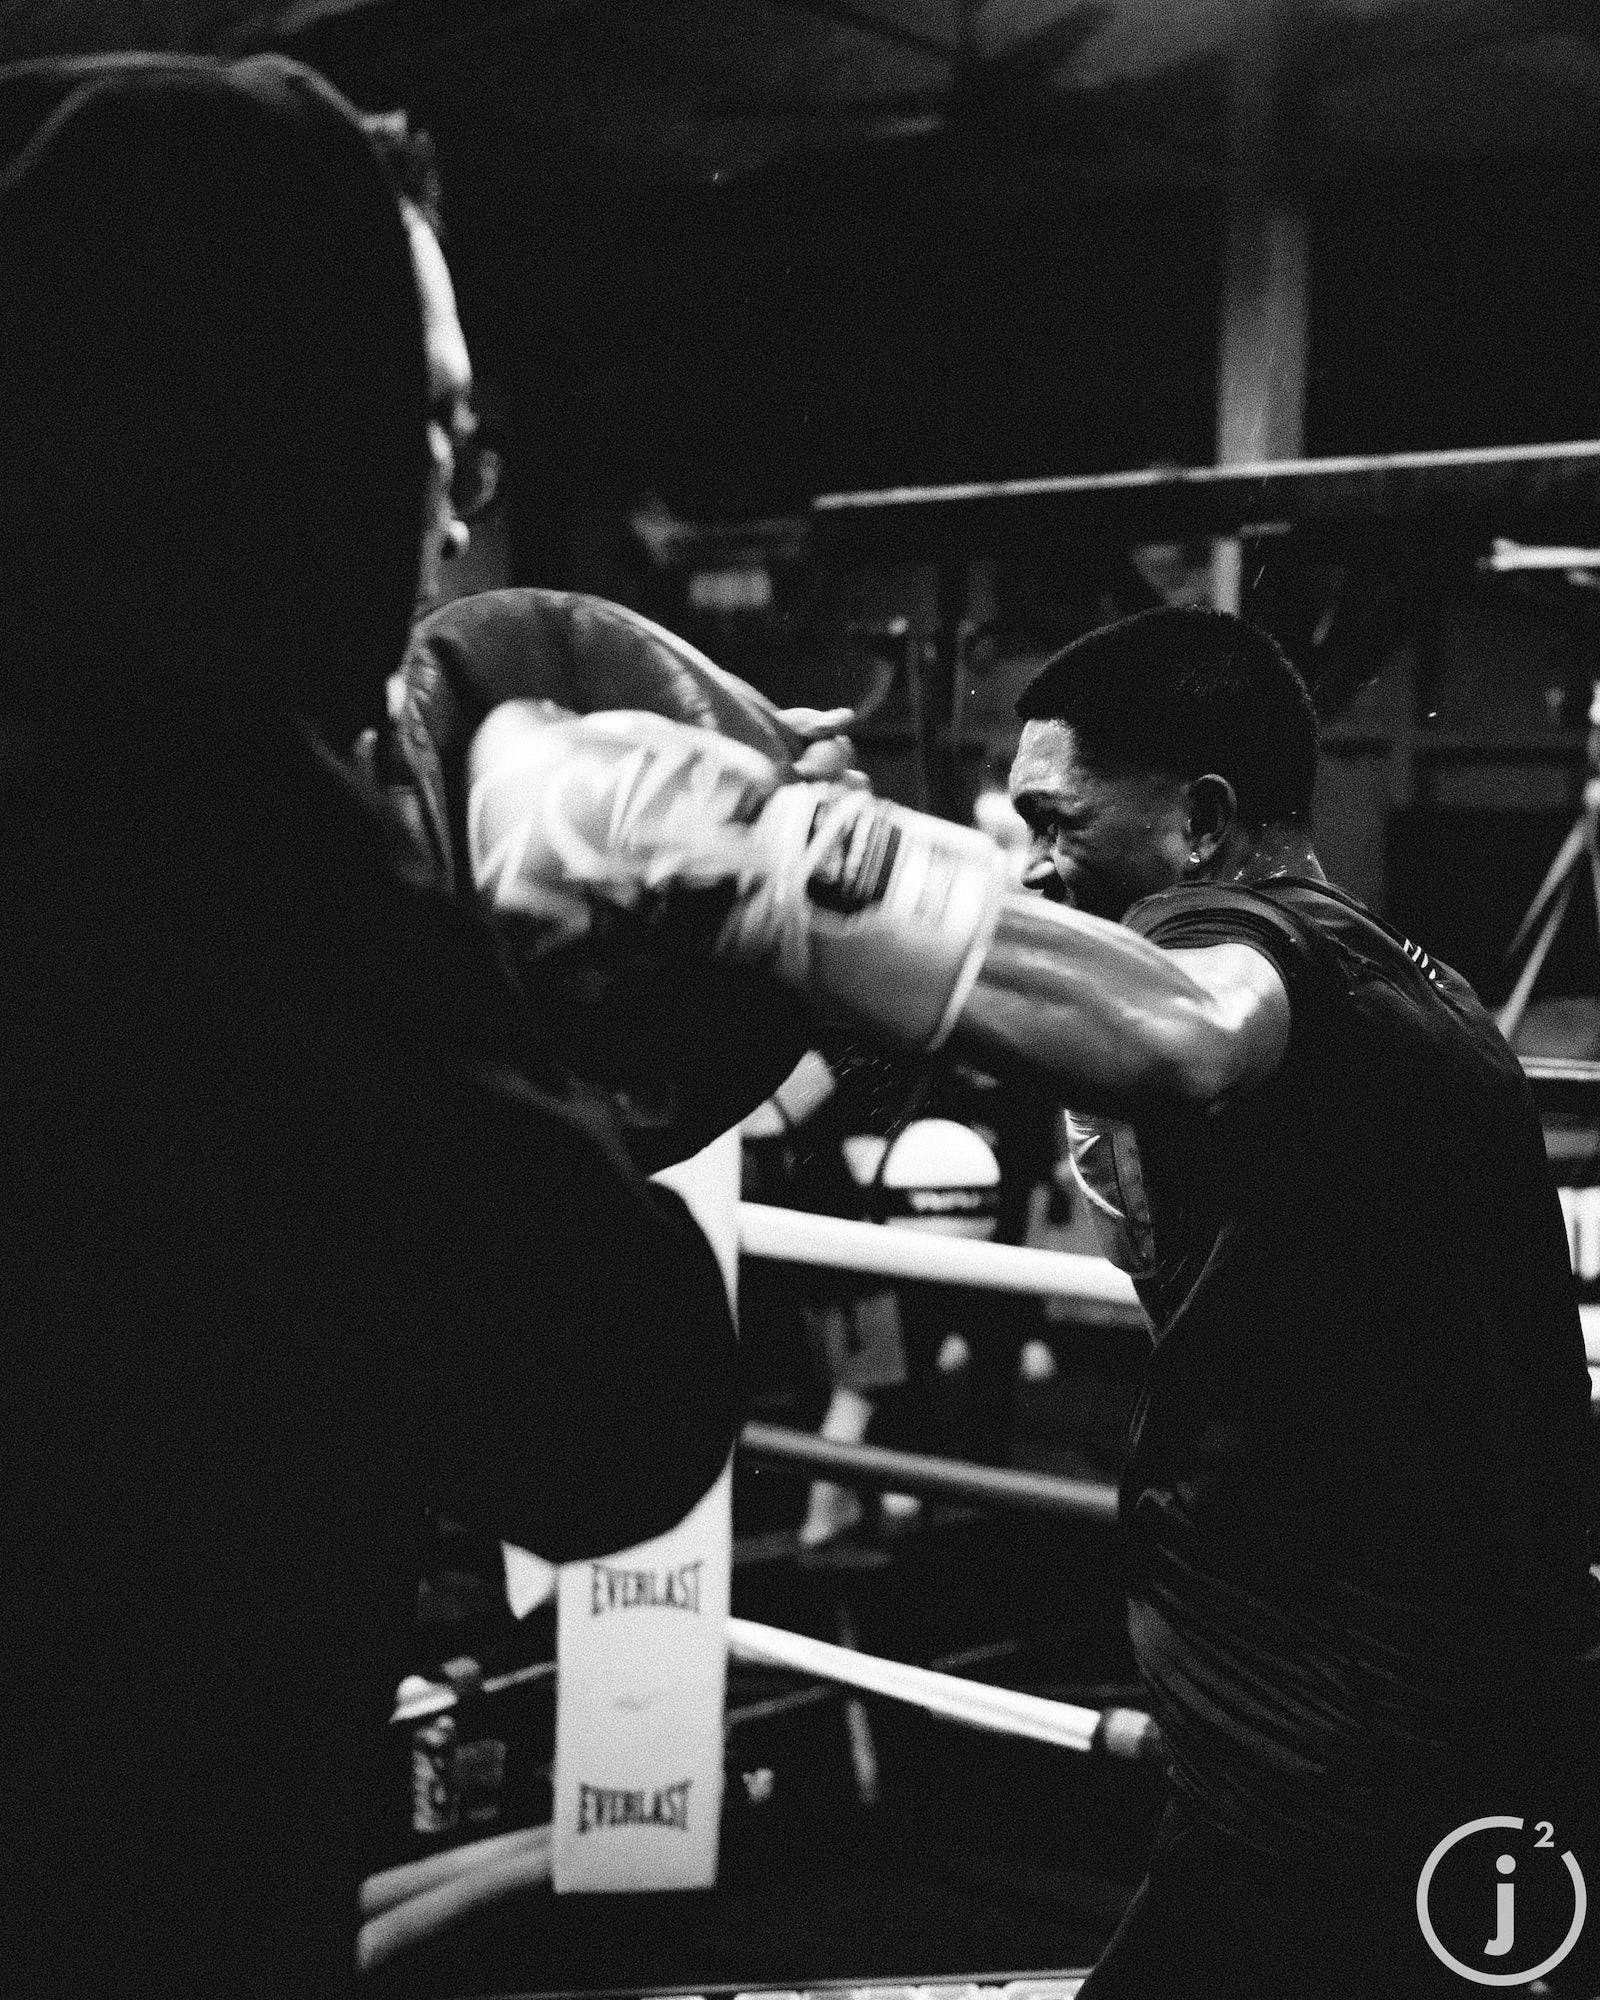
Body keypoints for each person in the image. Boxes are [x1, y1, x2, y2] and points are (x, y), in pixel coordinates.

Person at [473, 602, 1599, 1994]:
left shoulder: (1242, 934)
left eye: (1060, 821)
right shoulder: (1413, 986)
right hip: (1432, 1709)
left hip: (1345, 1744)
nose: (1040, 866)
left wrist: (761, 858)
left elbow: (1188, 1031)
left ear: (1199, 819)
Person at [0, 53, 739, 1998]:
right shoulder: (210, 861)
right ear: (280, 428)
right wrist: (483, 943)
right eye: (426, 424)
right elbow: (615, 1410)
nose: (441, 513)